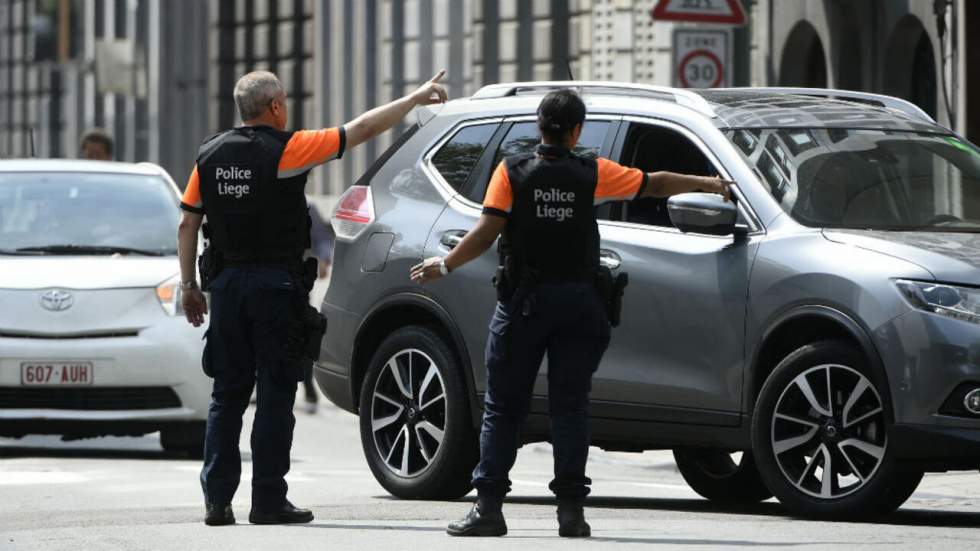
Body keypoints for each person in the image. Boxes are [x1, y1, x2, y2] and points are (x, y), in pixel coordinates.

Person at [410, 89, 731, 538]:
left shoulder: (512, 171)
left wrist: (444, 264)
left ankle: (488, 510)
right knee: (571, 408)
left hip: (523, 305)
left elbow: (485, 233)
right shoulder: (593, 172)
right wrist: (706, 183)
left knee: (503, 408)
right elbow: (653, 182)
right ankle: (571, 514)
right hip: (579, 306)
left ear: (538, 125)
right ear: (578, 131)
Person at [177, 69, 448, 527]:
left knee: (227, 396)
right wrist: (414, 99)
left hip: (225, 292)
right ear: (277, 106)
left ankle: (217, 502)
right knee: (277, 394)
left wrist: (189, 286)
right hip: (275, 292)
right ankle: (267, 500)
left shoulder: (209, 154)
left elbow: (188, 224)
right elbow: (360, 129)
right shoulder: (289, 150)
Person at [302, 199, 335, 414]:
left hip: (295, 280)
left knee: (301, 332)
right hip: (265, 280)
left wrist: (323, 259)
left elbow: (321, 237)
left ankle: (308, 386)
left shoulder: (306, 206)